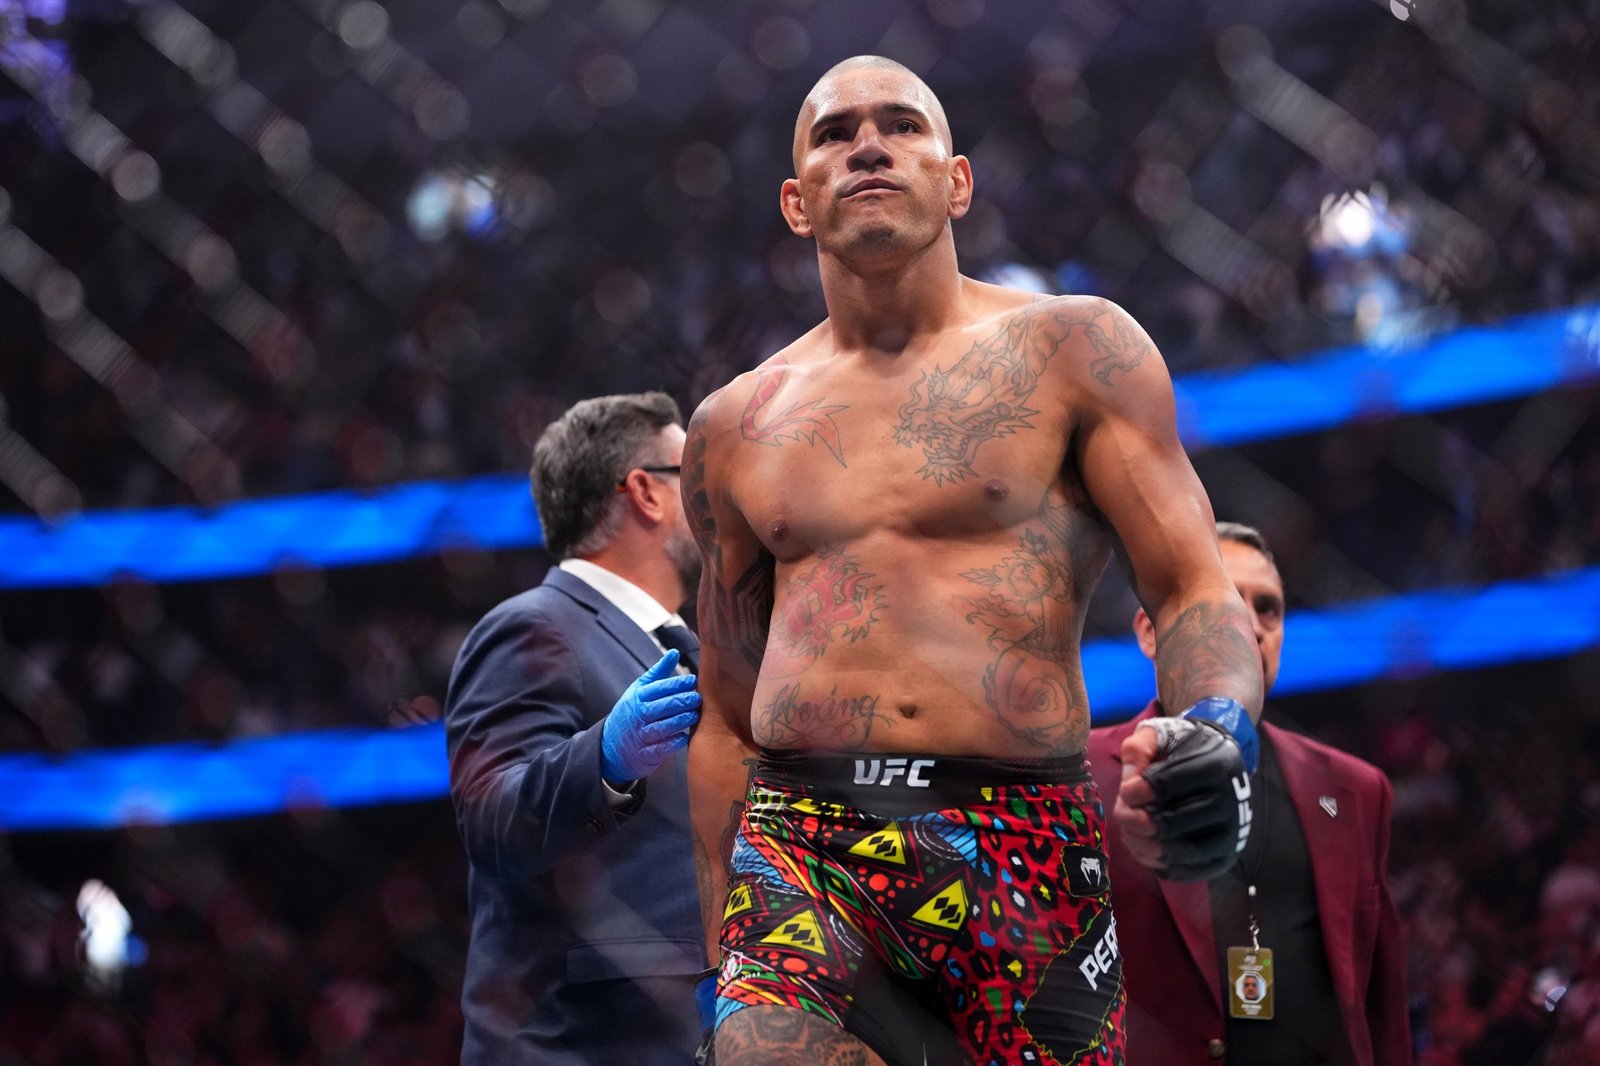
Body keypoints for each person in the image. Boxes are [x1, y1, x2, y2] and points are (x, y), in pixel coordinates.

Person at [683, 55, 1265, 1066]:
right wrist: (715, 951)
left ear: (956, 180)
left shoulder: (1075, 350)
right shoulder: (735, 423)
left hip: (1018, 830)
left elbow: (1187, 587)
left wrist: (1215, 722)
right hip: (805, 837)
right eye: (834, 133)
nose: (866, 144)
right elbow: (725, 707)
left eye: (900, 124)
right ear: (795, 201)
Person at [443, 392, 713, 1066]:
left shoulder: (689, 647)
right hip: (577, 1044)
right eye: (697, 478)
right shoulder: (534, 626)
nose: (716, 504)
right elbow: (491, 819)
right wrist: (604, 761)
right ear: (646, 492)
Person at [1086, 522, 1411, 1065]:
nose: (1251, 626)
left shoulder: (1356, 790)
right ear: (1149, 632)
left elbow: (1381, 1002)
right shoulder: (1083, 774)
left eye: (1268, 609)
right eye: (1227, 603)